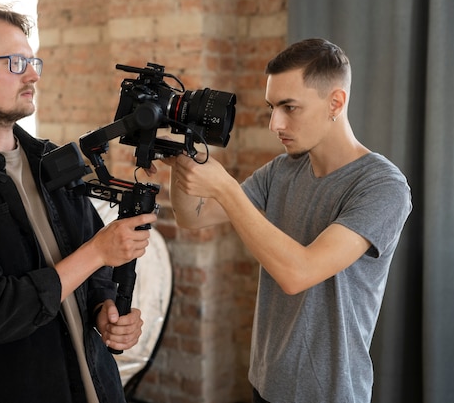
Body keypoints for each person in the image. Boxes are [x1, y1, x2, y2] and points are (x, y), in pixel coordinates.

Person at [0, 5, 157, 403]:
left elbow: (92, 268)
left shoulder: (51, 161)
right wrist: (97, 252)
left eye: (32, 61)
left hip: (96, 386)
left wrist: (104, 308)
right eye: (15, 62)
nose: (33, 74)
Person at [162, 38, 412, 402]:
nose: (274, 123)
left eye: (289, 107)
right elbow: (192, 217)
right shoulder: (282, 170)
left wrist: (226, 190)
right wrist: (183, 157)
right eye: (271, 107)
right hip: (266, 382)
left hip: (327, 393)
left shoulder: (382, 186)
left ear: (335, 103)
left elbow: (299, 273)